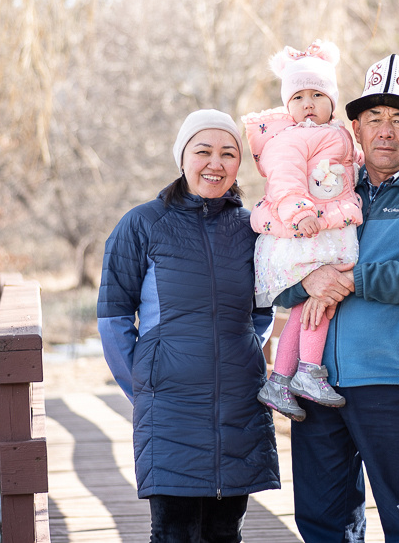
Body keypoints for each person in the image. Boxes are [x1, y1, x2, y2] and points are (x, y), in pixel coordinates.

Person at [275, 54, 399, 543]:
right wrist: (311, 281)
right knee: (322, 523)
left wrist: (354, 279)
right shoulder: (326, 192)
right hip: (315, 385)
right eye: (374, 118)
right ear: (354, 128)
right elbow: (279, 274)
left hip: (391, 383)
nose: (386, 130)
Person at [97, 109, 279, 543]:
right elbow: (113, 318)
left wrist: (240, 357)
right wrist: (146, 384)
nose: (215, 163)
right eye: (203, 151)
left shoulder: (253, 229)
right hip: (170, 411)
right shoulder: (143, 224)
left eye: (227, 153)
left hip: (239, 407)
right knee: (174, 533)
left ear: (240, 163)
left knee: (225, 533)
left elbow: (261, 311)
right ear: (182, 157)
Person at [245, 40, 362, 422]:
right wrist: (299, 213)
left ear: (332, 99)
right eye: (298, 97)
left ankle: (280, 380)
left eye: (317, 94)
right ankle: (309, 370)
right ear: (287, 105)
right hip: (306, 233)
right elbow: (284, 180)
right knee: (322, 302)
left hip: (326, 229)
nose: (308, 103)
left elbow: (347, 167)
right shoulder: (289, 139)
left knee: (303, 309)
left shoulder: (336, 132)